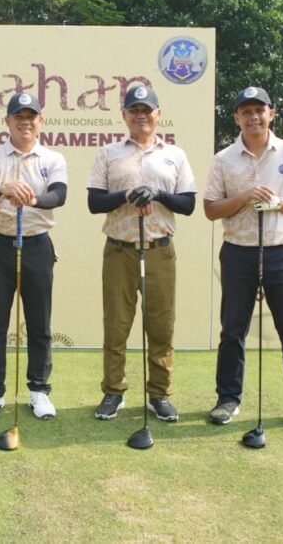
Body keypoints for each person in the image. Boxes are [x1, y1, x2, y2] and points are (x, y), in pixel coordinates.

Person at [203, 86, 283, 434]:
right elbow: (211, 209)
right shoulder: (223, 159)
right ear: (236, 117)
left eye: (259, 110)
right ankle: (228, 399)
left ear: (271, 114)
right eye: (246, 111)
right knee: (233, 330)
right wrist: (243, 197)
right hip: (238, 250)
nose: (253, 117)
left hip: (282, 252)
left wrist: (278, 203)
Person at [86, 85, 196, 422]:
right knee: (116, 325)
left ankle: (159, 394)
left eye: (147, 110)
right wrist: (127, 194)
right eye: (134, 110)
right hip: (119, 250)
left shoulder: (175, 155)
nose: (141, 115)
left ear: (158, 114)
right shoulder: (109, 153)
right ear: (124, 115)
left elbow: (188, 203)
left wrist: (158, 194)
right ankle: (113, 391)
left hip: (159, 250)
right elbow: (94, 202)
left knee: (161, 325)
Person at [0, 92, 68, 421]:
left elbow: (59, 195)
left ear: (40, 121)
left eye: (31, 116)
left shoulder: (52, 158)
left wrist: (32, 199)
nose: (25, 122)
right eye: (19, 116)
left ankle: (39, 390)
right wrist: (3, 188)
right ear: (8, 121)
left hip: (37, 245)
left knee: (39, 323)